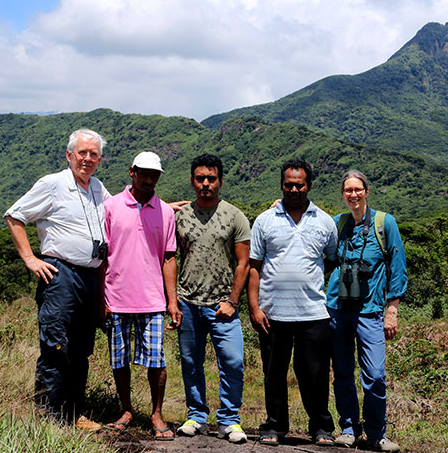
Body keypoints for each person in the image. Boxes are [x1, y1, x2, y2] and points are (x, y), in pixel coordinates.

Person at [4, 129, 110, 431]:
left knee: (81, 348)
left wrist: (160, 208)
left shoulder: (98, 188)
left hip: (90, 276)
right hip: (60, 273)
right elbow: (15, 216)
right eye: (82, 153)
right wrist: (30, 259)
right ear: (69, 155)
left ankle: (75, 413)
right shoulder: (53, 184)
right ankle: (48, 417)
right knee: (56, 346)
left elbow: (120, 212)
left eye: (93, 155)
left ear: (99, 159)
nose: (87, 159)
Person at [248, 159, 337, 447]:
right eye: (289, 184)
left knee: (315, 373)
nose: (294, 189)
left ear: (309, 185)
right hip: (273, 313)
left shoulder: (325, 221)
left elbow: (332, 264)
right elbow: (254, 267)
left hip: (314, 312)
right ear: (282, 185)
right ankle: (274, 426)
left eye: (299, 184)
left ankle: (321, 428)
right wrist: (254, 307)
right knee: (274, 373)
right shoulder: (265, 220)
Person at [326, 170, 407, 453]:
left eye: (357, 189)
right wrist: (281, 207)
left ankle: (376, 433)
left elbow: (398, 268)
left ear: (367, 191)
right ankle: (348, 429)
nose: (353, 195)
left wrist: (392, 310)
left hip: (370, 311)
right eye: (348, 190)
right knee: (343, 372)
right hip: (337, 308)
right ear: (342, 194)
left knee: (374, 375)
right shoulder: (338, 224)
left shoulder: (385, 224)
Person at [173, 154, 251, 444]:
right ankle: (196, 416)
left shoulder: (234, 216)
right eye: (200, 178)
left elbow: (243, 263)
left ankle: (229, 420)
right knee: (190, 362)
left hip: (222, 305)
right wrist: (173, 301)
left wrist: (232, 301)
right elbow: (170, 257)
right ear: (192, 181)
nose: (205, 184)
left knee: (232, 361)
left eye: (211, 178)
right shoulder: (180, 216)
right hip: (188, 302)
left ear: (220, 180)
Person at [101, 151, 178, 440]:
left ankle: (156, 414)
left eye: (154, 174)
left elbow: (169, 258)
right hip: (116, 297)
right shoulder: (110, 206)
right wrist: (101, 299)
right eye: (143, 173)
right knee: (118, 359)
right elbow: (102, 257)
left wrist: (172, 301)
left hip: (152, 299)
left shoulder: (166, 211)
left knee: (156, 359)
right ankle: (127, 410)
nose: (149, 179)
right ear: (131, 172)